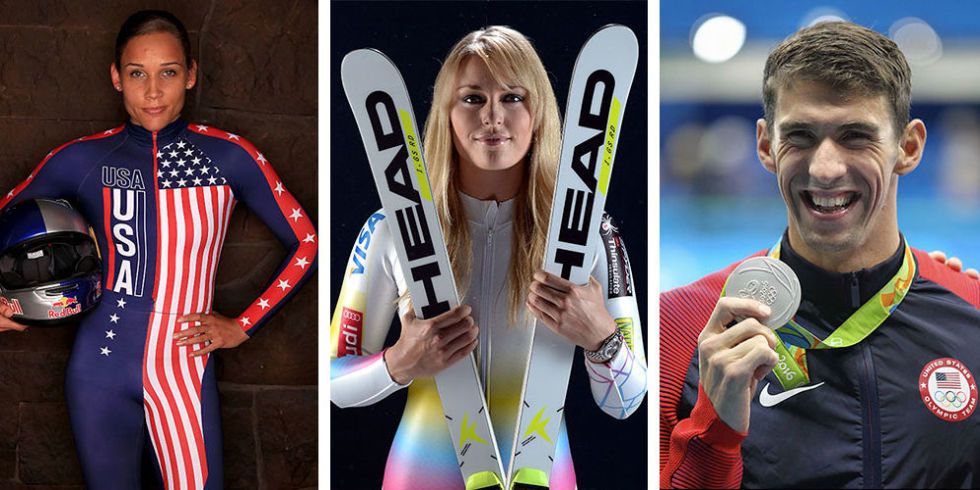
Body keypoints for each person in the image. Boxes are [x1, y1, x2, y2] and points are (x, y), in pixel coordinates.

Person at [0, 10, 316, 489]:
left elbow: (307, 243)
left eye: (168, 72)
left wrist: (243, 326)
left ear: (190, 75)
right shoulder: (82, 158)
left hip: (183, 369)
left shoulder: (228, 155)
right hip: (97, 369)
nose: (152, 91)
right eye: (137, 74)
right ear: (115, 77)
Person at [661, 21, 980, 488]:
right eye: (801, 136)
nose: (825, 168)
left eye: (855, 135)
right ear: (766, 146)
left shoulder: (970, 313)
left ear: (908, 148)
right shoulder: (680, 327)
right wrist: (716, 430)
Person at [330, 26, 647, 489]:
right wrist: (399, 362)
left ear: (537, 112)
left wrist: (601, 337)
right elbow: (333, 383)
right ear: (446, 115)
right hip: (422, 474)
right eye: (473, 99)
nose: (494, 117)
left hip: (544, 475)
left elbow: (625, 402)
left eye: (514, 97)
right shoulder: (390, 229)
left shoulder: (591, 233)